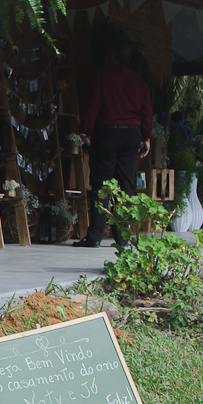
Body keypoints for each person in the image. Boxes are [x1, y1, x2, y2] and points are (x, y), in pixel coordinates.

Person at [74, 41, 153, 248]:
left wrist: (85, 131)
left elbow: (93, 105)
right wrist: (146, 137)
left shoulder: (102, 77)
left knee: (101, 185)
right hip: (131, 136)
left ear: (111, 57)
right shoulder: (139, 81)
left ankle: (94, 237)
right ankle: (122, 237)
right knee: (125, 186)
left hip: (107, 134)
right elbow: (146, 111)